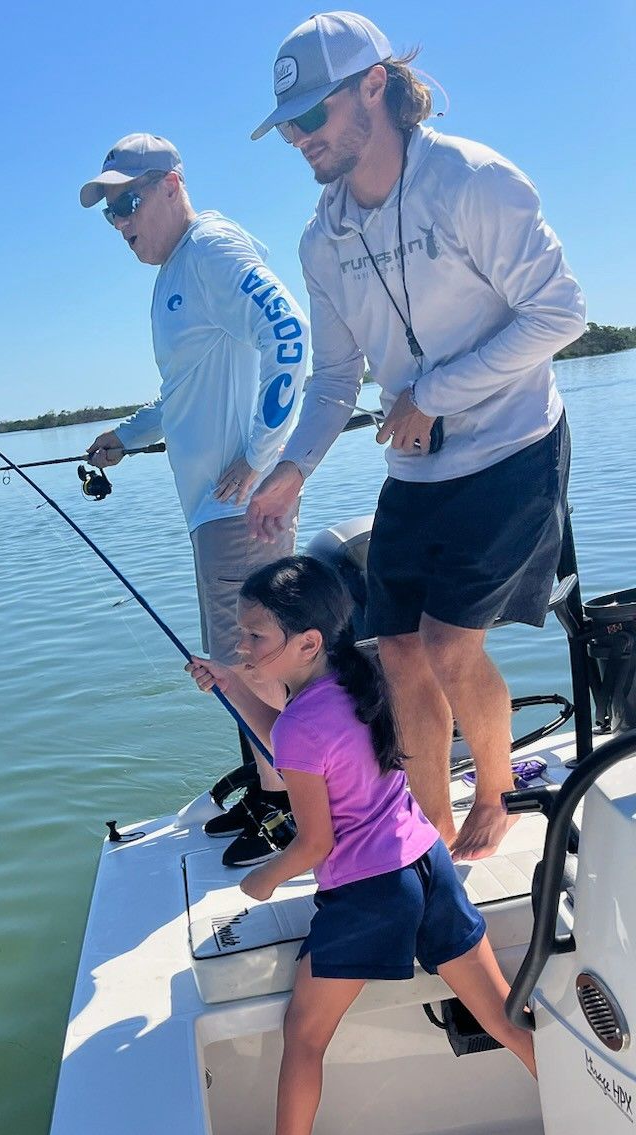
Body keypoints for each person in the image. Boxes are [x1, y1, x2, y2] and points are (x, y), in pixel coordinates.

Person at [244, 13, 587, 863]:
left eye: (311, 116)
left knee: (447, 644)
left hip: (513, 447)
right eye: (287, 126)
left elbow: (560, 313)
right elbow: (335, 379)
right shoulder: (321, 240)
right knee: (395, 649)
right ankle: (429, 827)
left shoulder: (474, 181)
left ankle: (496, 795)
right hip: (416, 469)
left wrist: (433, 394)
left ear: (375, 86)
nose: (299, 139)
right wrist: (291, 471)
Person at [187, 555, 536, 1135]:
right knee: (503, 1017)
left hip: (370, 896)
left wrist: (261, 880)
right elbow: (295, 743)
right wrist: (232, 684)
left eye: (255, 636)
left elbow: (313, 845)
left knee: (304, 1037)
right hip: (429, 866)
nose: (242, 646)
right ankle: (594, 1115)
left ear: (307, 643)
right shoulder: (356, 678)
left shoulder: (299, 723)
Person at [79, 133, 311, 867]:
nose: (120, 221)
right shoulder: (176, 274)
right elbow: (181, 396)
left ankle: (293, 806)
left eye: (129, 201)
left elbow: (291, 334)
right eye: (110, 210)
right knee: (238, 662)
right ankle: (271, 786)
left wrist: (262, 454)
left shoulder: (210, 250)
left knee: (250, 665)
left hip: (236, 512)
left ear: (172, 185)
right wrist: (127, 436)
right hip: (214, 515)